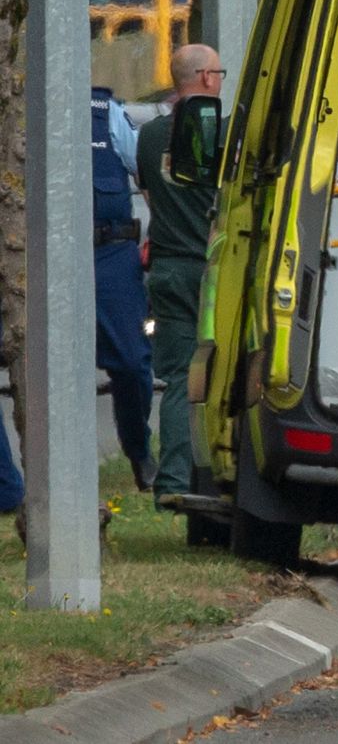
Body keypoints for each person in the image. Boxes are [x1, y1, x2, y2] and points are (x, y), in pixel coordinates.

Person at [136, 45, 223, 503]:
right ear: (207, 78)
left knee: (175, 377)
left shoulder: (148, 136)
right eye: (220, 72)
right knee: (219, 375)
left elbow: (151, 196)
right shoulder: (220, 131)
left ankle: (171, 483)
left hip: (167, 269)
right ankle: (216, 475)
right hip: (208, 271)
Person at [92, 86, 157, 492]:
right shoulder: (15, 106)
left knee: (133, 363)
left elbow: (146, 174)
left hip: (110, 254)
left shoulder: (104, 111)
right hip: (33, 255)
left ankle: (139, 451)